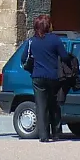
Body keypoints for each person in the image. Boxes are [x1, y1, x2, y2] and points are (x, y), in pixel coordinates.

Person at [21, 14, 66, 142]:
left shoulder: (31, 41)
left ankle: (44, 135)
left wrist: (31, 69)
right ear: (48, 25)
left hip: (38, 76)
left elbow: (23, 59)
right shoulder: (55, 40)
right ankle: (56, 133)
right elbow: (64, 56)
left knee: (41, 106)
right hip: (53, 76)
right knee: (54, 104)